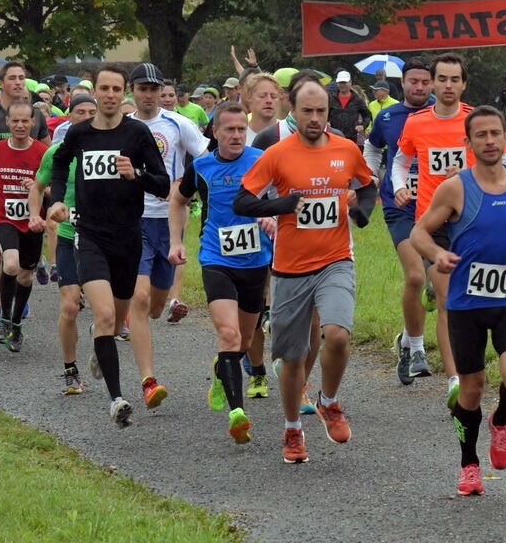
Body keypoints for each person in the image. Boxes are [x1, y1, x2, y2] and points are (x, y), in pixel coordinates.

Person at [410, 104, 506, 496]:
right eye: (481, 135)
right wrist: (437, 254)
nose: (490, 141)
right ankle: (469, 463)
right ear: (468, 141)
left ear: (505, 136)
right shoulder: (455, 187)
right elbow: (419, 232)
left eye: (496, 133)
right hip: (465, 303)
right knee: (471, 389)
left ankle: (501, 421)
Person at [234, 79, 377, 463]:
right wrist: (281, 206)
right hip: (289, 269)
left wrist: (360, 212)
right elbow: (243, 201)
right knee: (293, 357)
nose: (315, 119)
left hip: (335, 261)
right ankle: (293, 429)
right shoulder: (277, 154)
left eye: (322, 112)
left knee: (338, 335)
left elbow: (367, 185)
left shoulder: (346, 150)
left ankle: (329, 401)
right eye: (307, 112)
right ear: (292, 110)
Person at [47, 64, 170, 427]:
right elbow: (59, 162)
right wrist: (56, 199)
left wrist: (137, 175)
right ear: (95, 92)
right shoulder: (79, 134)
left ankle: (103, 344)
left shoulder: (138, 134)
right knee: (102, 316)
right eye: (105, 88)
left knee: (115, 321)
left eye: (118, 89)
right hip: (90, 235)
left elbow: (163, 184)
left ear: (125, 92)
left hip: (128, 237)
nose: (111, 95)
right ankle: (117, 399)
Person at [168, 100, 274, 442]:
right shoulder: (200, 167)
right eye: (229, 129)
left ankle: (221, 369)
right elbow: (177, 199)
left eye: (242, 128)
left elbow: (283, 196)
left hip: (256, 261)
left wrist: (272, 216)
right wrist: (176, 241)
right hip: (217, 258)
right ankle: (236, 413)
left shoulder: (261, 161)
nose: (237, 135)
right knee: (228, 335)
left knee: (243, 339)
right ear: (214, 132)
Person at [392, 52, 474, 405]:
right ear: (433, 83)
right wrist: (398, 185)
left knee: (470, 301)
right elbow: (400, 159)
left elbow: (501, 161)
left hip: (471, 222)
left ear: (464, 84)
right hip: (432, 224)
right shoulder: (417, 122)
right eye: (442, 79)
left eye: (455, 80)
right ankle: (455, 380)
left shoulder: (475, 120)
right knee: (447, 302)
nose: (448, 86)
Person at [126, 62, 209, 407]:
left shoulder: (177, 123)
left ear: (162, 91)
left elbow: (207, 158)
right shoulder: (123, 127)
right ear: (133, 90)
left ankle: (111, 324)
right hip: (132, 219)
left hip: (168, 220)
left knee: (156, 307)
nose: (148, 95)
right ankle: (148, 381)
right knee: (141, 298)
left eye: (153, 89)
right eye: (142, 88)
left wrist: (194, 190)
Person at [362, 57, 441, 386]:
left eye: (425, 82)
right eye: (414, 81)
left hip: (438, 206)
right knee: (414, 276)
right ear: (403, 83)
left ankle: (405, 340)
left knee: (436, 284)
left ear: (432, 83)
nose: (419, 87)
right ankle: (417, 351)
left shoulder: (443, 113)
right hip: (400, 206)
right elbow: (372, 146)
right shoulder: (388, 115)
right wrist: (368, 176)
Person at [0, 62, 50, 334]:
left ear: (31, 122)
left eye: (22, 78)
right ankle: (0, 312)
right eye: (12, 78)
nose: (18, 83)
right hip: (1, 206)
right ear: (1, 83)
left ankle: (14, 318)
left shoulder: (38, 139)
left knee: (23, 273)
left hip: (31, 212)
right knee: (3, 260)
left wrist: (39, 186)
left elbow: (49, 170)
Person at [28, 93, 99, 394]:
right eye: (79, 112)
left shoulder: (114, 149)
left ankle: (103, 340)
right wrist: (36, 214)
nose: (85, 117)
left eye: (91, 112)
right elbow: (38, 185)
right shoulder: (57, 152)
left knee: (108, 311)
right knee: (69, 307)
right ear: (69, 117)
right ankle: (70, 370)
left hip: (103, 238)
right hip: (70, 236)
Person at [327, 71, 370, 145]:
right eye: (340, 82)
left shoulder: (357, 100)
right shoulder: (332, 99)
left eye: (344, 82)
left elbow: (367, 115)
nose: (342, 85)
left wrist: (363, 125)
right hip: (334, 137)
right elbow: (325, 114)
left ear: (350, 82)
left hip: (351, 138)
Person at [244, 73, 281, 145]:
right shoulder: (239, 136)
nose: (269, 100)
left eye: (273, 96)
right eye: (262, 96)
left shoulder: (289, 132)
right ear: (249, 97)